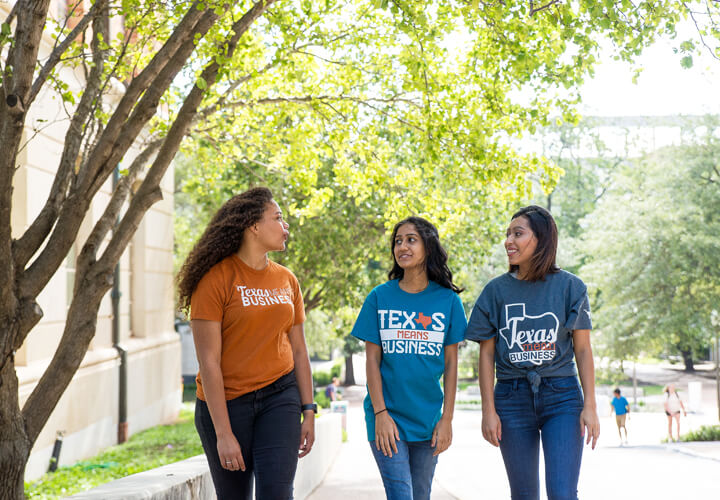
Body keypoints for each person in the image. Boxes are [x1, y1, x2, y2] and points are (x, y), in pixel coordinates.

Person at [176, 187, 315, 499]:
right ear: (253, 226)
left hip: (280, 395)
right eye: (278, 218)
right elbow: (209, 362)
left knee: (277, 494)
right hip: (227, 405)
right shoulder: (214, 280)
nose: (286, 226)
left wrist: (309, 410)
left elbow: (299, 350)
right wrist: (223, 433)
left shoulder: (286, 279)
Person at [465, 205, 600, 500]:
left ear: (540, 239)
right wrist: (488, 410)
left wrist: (590, 404)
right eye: (507, 234)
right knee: (524, 494)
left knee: (562, 494)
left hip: (562, 396)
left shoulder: (571, 287)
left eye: (518, 233)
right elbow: (486, 355)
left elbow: (583, 350)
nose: (508, 241)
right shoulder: (495, 291)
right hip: (511, 399)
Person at [350, 216, 467, 500]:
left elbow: (452, 366)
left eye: (411, 240)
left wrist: (447, 419)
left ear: (428, 246)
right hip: (387, 417)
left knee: (420, 495)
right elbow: (372, 363)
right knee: (401, 495)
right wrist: (380, 414)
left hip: (428, 420)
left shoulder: (448, 301)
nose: (402, 246)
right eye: (398, 241)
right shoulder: (379, 297)